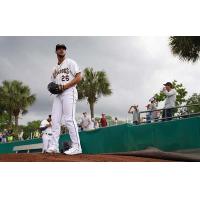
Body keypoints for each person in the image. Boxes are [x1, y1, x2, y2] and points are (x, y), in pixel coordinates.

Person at [47, 43, 82, 155]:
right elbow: (52, 83)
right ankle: (54, 146)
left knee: (69, 119)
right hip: (58, 95)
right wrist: (52, 87)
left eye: (63, 48)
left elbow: (78, 77)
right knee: (55, 120)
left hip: (69, 91)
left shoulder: (70, 62)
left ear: (65, 51)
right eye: (59, 49)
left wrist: (64, 86)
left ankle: (77, 147)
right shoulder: (54, 68)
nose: (61, 50)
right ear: (56, 51)